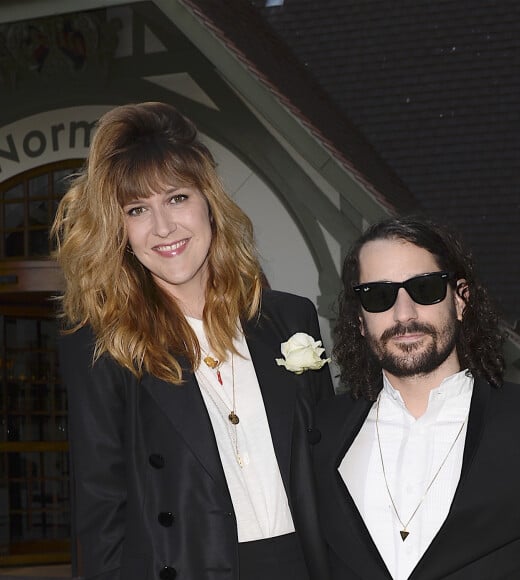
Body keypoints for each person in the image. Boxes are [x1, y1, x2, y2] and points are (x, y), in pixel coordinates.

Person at [52, 101, 334, 580]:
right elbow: (100, 507)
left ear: (208, 202)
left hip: (306, 565)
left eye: (177, 198)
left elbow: (329, 467)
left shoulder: (289, 317)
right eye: (137, 210)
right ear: (119, 230)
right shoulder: (103, 345)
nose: (163, 228)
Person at [313, 215, 520, 580]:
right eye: (378, 296)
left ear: (460, 299)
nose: (403, 314)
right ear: (360, 320)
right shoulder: (321, 432)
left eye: (424, 289)